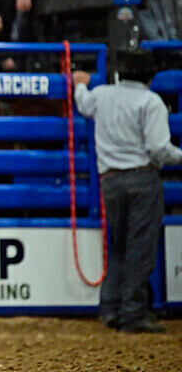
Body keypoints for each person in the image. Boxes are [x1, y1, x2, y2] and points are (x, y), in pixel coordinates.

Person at [73, 55, 182, 333]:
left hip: (110, 180)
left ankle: (110, 308)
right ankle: (133, 313)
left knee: (119, 245)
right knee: (140, 248)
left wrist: (80, 84)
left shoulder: (102, 94)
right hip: (142, 177)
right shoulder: (150, 101)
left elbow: (83, 104)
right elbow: (159, 148)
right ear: (149, 77)